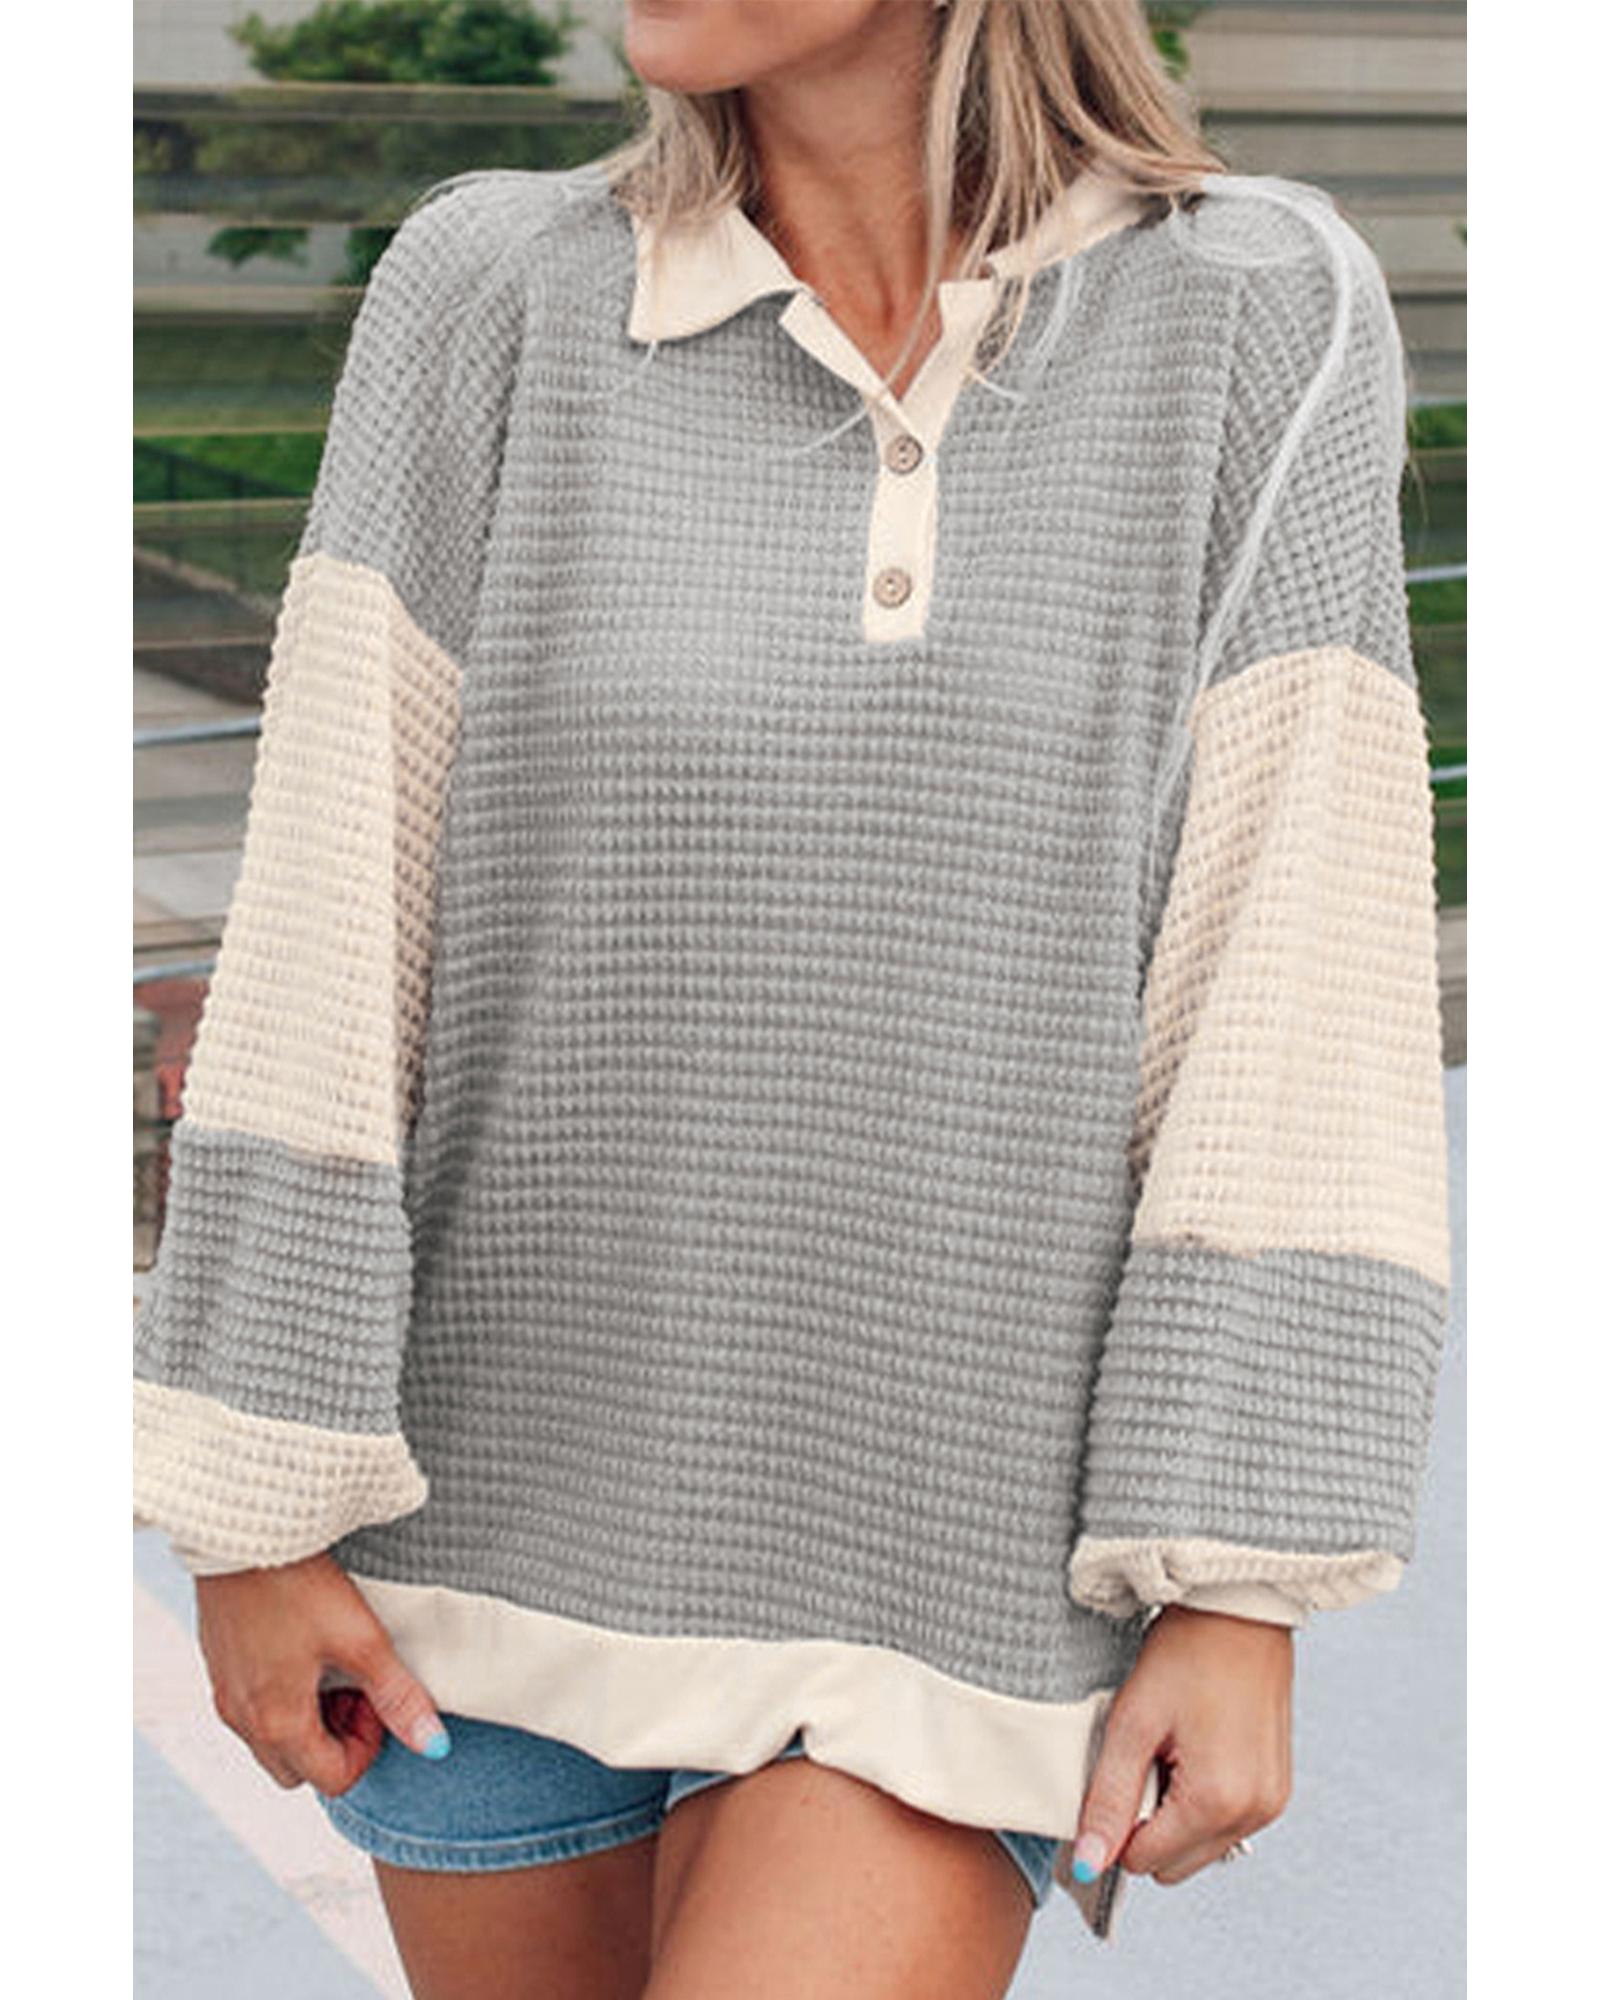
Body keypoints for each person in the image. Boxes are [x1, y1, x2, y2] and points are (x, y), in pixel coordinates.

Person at [131, 2, 1453, 1995]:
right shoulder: (487, 290)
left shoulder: (1258, 306)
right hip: (477, 1549)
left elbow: (1297, 961)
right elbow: (329, 908)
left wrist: (1237, 1574)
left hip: (954, 1571)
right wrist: (255, 1507)